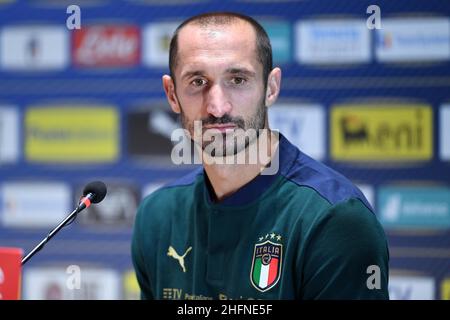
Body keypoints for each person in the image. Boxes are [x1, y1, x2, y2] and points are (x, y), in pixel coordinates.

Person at [131, 12, 389, 300]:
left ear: (271, 87)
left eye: (238, 79)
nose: (217, 107)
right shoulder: (156, 216)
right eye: (197, 81)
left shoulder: (334, 220)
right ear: (172, 94)